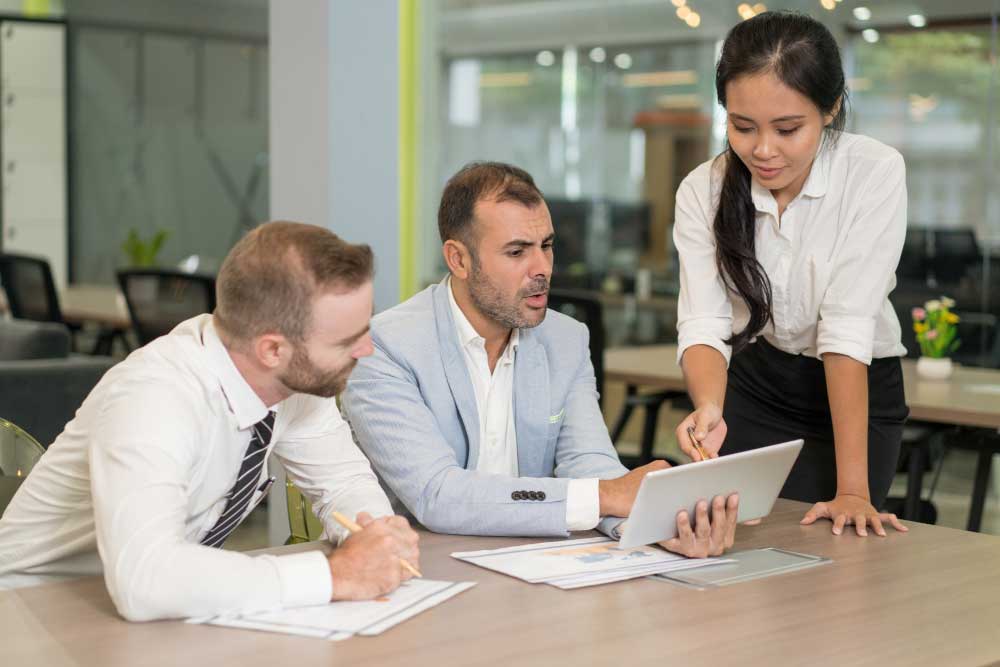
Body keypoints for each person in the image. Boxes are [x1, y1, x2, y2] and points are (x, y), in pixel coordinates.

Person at [0, 221, 420, 620]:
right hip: (33, 616)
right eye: (348, 341)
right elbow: (145, 579)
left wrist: (377, 539)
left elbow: (345, 484)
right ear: (272, 350)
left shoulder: (297, 384)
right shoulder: (155, 395)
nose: (367, 349)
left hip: (159, 616)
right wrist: (333, 576)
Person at [342, 162, 739, 558]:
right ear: (458, 260)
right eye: (517, 252)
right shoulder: (384, 347)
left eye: (546, 246)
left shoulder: (565, 339)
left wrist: (656, 525)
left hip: (529, 567)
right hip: (419, 568)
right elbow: (437, 495)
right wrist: (609, 496)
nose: (542, 269)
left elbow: (590, 463)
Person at [672, 11, 909, 538]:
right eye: (742, 126)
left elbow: (846, 327)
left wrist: (852, 490)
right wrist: (709, 406)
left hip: (856, 391)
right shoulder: (701, 190)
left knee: (840, 553)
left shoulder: (874, 171)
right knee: (745, 546)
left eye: (787, 129)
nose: (763, 150)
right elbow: (705, 321)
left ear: (830, 109)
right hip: (757, 385)